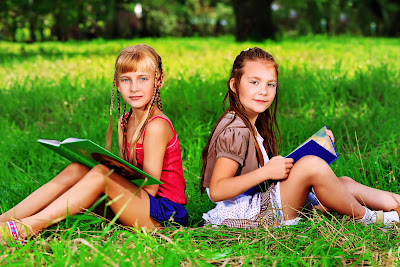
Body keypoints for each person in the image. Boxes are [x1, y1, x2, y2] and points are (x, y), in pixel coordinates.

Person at [1, 44, 187, 243]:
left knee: (100, 174)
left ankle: (25, 228)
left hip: (166, 216)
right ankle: (5, 220)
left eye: (143, 78)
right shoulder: (124, 121)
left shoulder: (156, 126)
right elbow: (130, 172)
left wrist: (104, 175)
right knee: (77, 169)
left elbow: (148, 188)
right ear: (117, 83)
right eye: (126, 80)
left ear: (159, 81)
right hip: (138, 207)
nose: (134, 88)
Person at [201, 47, 400, 229]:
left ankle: (396, 202)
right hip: (248, 214)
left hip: (259, 201)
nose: (263, 90)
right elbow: (218, 190)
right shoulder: (236, 130)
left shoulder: (249, 123)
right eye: (254, 82)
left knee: (343, 184)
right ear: (234, 85)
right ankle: (371, 219)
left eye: (270, 84)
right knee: (311, 166)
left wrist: (315, 146)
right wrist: (267, 172)